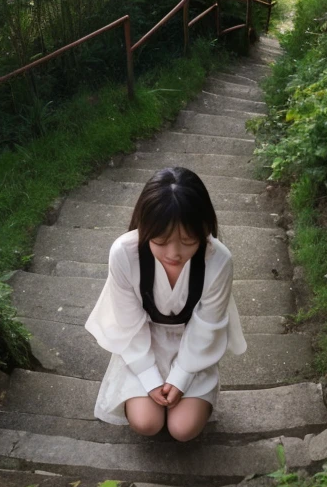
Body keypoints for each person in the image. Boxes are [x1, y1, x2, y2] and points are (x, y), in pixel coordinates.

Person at [85, 166, 246, 441]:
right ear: (145, 228)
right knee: (147, 422)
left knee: (183, 429)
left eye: (187, 240)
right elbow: (128, 322)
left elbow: (208, 324)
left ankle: (197, 394)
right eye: (161, 241)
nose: (174, 253)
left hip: (193, 343)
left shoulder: (218, 260)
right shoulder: (125, 253)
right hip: (142, 340)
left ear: (204, 230)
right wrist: (149, 377)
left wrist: (181, 377)